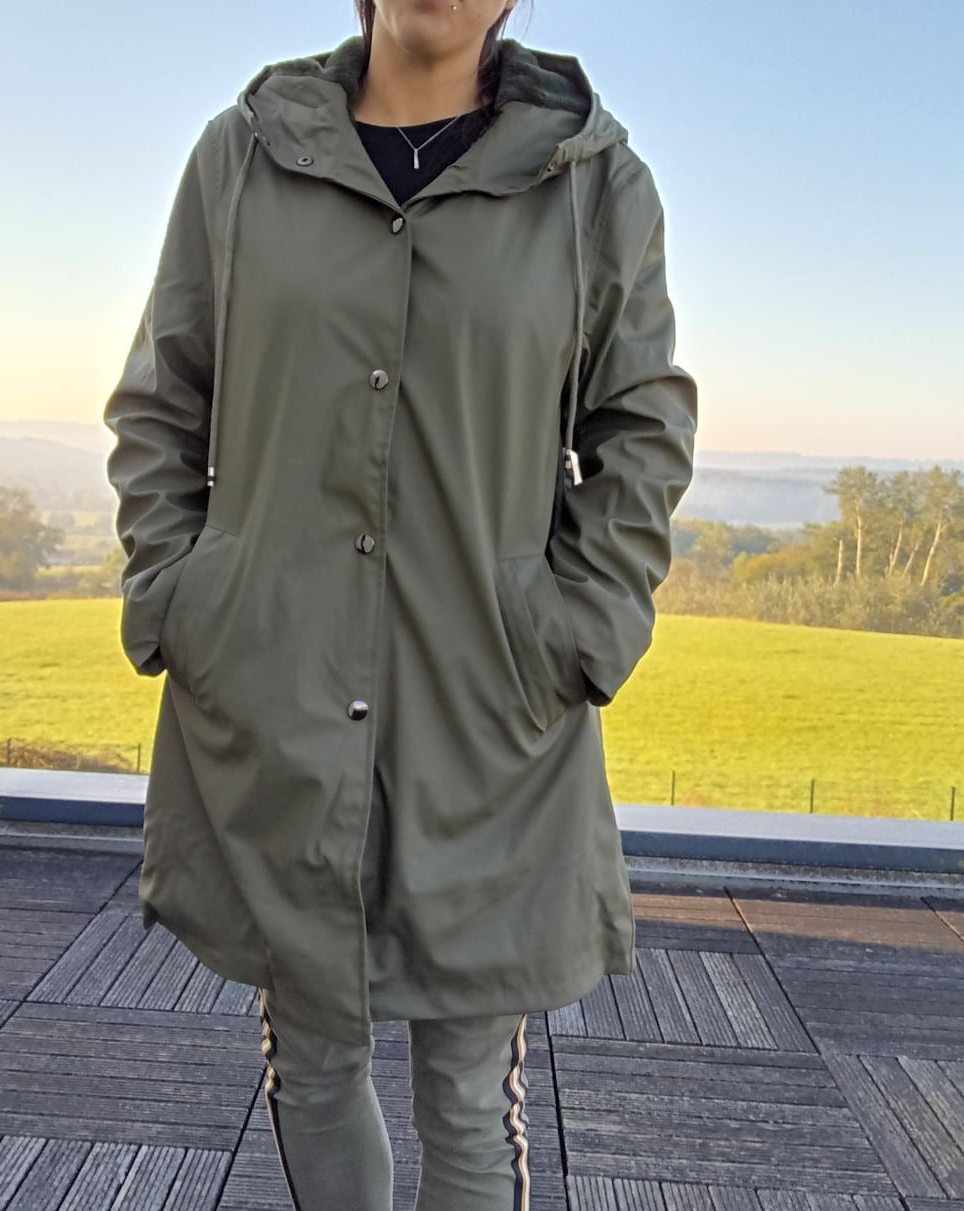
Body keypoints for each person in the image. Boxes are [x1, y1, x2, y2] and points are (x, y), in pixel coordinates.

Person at [103, 1, 697, 1207]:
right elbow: (164, 400)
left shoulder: (594, 180)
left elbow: (643, 427)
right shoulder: (246, 155)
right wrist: (184, 594)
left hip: (489, 701)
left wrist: (580, 627)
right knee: (313, 1061)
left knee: (470, 1092)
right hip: (273, 687)